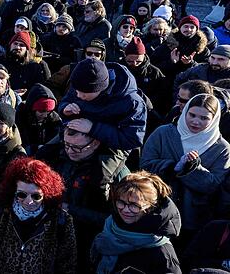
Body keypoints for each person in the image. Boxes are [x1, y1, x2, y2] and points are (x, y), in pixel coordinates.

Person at [37, 127, 128, 270]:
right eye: (66, 144)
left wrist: (72, 210)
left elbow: (119, 220)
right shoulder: (55, 157)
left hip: (89, 244)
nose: (70, 151)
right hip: (54, 238)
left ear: (95, 143)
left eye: (77, 147)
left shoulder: (114, 173)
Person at [141, 94, 230, 240]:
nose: (196, 122)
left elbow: (214, 185)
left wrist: (192, 169)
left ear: (214, 119)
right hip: (155, 210)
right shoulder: (163, 133)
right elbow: (145, 166)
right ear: (185, 111)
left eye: (204, 118)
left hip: (195, 220)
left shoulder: (222, 149)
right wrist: (172, 167)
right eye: (192, 115)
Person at [0, 157, 76, 274]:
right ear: (13, 190)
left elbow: (67, 264)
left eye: (36, 196)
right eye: (22, 194)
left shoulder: (61, 220)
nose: (29, 201)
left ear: (47, 193)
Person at [91, 171, 181, 274]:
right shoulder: (111, 226)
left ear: (150, 207)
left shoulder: (161, 251)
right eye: (121, 202)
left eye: (134, 205)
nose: (125, 210)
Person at [59, 58, 147, 150]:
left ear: (100, 89)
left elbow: (132, 140)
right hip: (72, 137)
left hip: (111, 147)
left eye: (84, 94)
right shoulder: (81, 81)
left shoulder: (132, 103)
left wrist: (93, 128)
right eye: (76, 91)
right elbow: (66, 100)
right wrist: (65, 109)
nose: (79, 95)